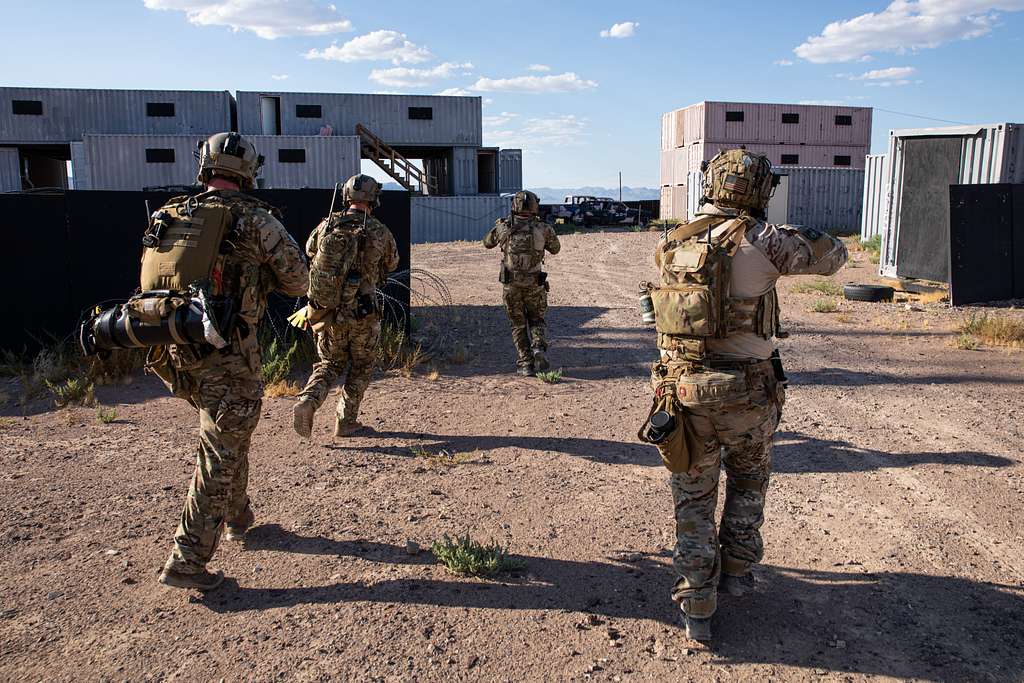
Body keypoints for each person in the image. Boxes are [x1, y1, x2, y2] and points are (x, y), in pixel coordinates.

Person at [641, 149, 848, 641]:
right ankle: (735, 572)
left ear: (711, 183)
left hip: (683, 394)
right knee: (749, 484)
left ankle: (697, 604)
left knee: (692, 501)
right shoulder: (766, 240)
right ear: (759, 192)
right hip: (749, 397)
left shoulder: (671, 242)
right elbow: (836, 257)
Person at [152, 132, 309, 590]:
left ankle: (239, 517)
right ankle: (187, 561)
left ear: (204, 166)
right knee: (220, 450)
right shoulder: (257, 221)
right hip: (230, 356)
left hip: (175, 350)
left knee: (225, 434)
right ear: (249, 172)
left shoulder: (170, 215)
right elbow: (298, 281)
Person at [291, 174, 399, 438]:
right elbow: (392, 263)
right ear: (374, 199)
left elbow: (309, 251)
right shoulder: (379, 231)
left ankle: (308, 401)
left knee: (328, 363)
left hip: (328, 312)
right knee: (361, 367)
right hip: (364, 313)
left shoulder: (327, 226)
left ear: (346, 197)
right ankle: (346, 421)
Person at [483, 190, 561, 376]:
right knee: (537, 319)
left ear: (514, 206)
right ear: (535, 206)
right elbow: (556, 249)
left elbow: (486, 242)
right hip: (535, 285)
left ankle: (525, 363)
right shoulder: (543, 228)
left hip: (511, 286)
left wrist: (500, 228)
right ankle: (538, 348)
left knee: (517, 324)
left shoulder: (504, 227)